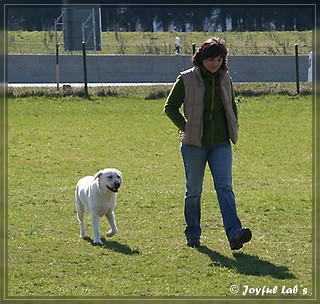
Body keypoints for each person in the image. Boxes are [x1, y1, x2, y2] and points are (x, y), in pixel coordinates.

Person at [164, 37, 252, 250]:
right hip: (194, 144)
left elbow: (231, 106)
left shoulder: (225, 78)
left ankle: (234, 234)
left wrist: (234, 126)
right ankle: (193, 234)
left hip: (221, 143)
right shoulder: (185, 79)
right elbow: (170, 107)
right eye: (211, 59)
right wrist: (186, 127)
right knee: (193, 190)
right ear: (201, 59)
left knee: (225, 188)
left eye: (219, 59)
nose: (215, 64)